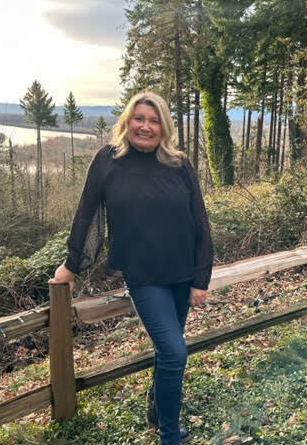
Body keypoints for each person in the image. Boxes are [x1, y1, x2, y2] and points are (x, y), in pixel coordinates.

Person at [49, 91, 213, 445]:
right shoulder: (108, 160)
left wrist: (202, 277)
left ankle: (157, 410)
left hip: (183, 274)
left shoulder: (179, 163)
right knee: (174, 352)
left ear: (164, 127)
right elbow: (87, 213)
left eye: (154, 121)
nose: (146, 126)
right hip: (144, 276)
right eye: (139, 118)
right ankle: (170, 435)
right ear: (127, 121)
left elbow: (199, 220)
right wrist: (71, 265)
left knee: (169, 351)